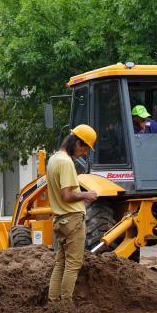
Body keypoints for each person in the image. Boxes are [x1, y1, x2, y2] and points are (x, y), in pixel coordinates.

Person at [47, 124, 99, 302]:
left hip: (60, 220)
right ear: (77, 142)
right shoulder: (66, 162)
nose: (84, 153)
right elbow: (67, 194)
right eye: (85, 148)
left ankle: (54, 304)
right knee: (73, 264)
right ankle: (66, 305)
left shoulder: (53, 159)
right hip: (72, 220)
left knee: (60, 263)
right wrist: (87, 194)